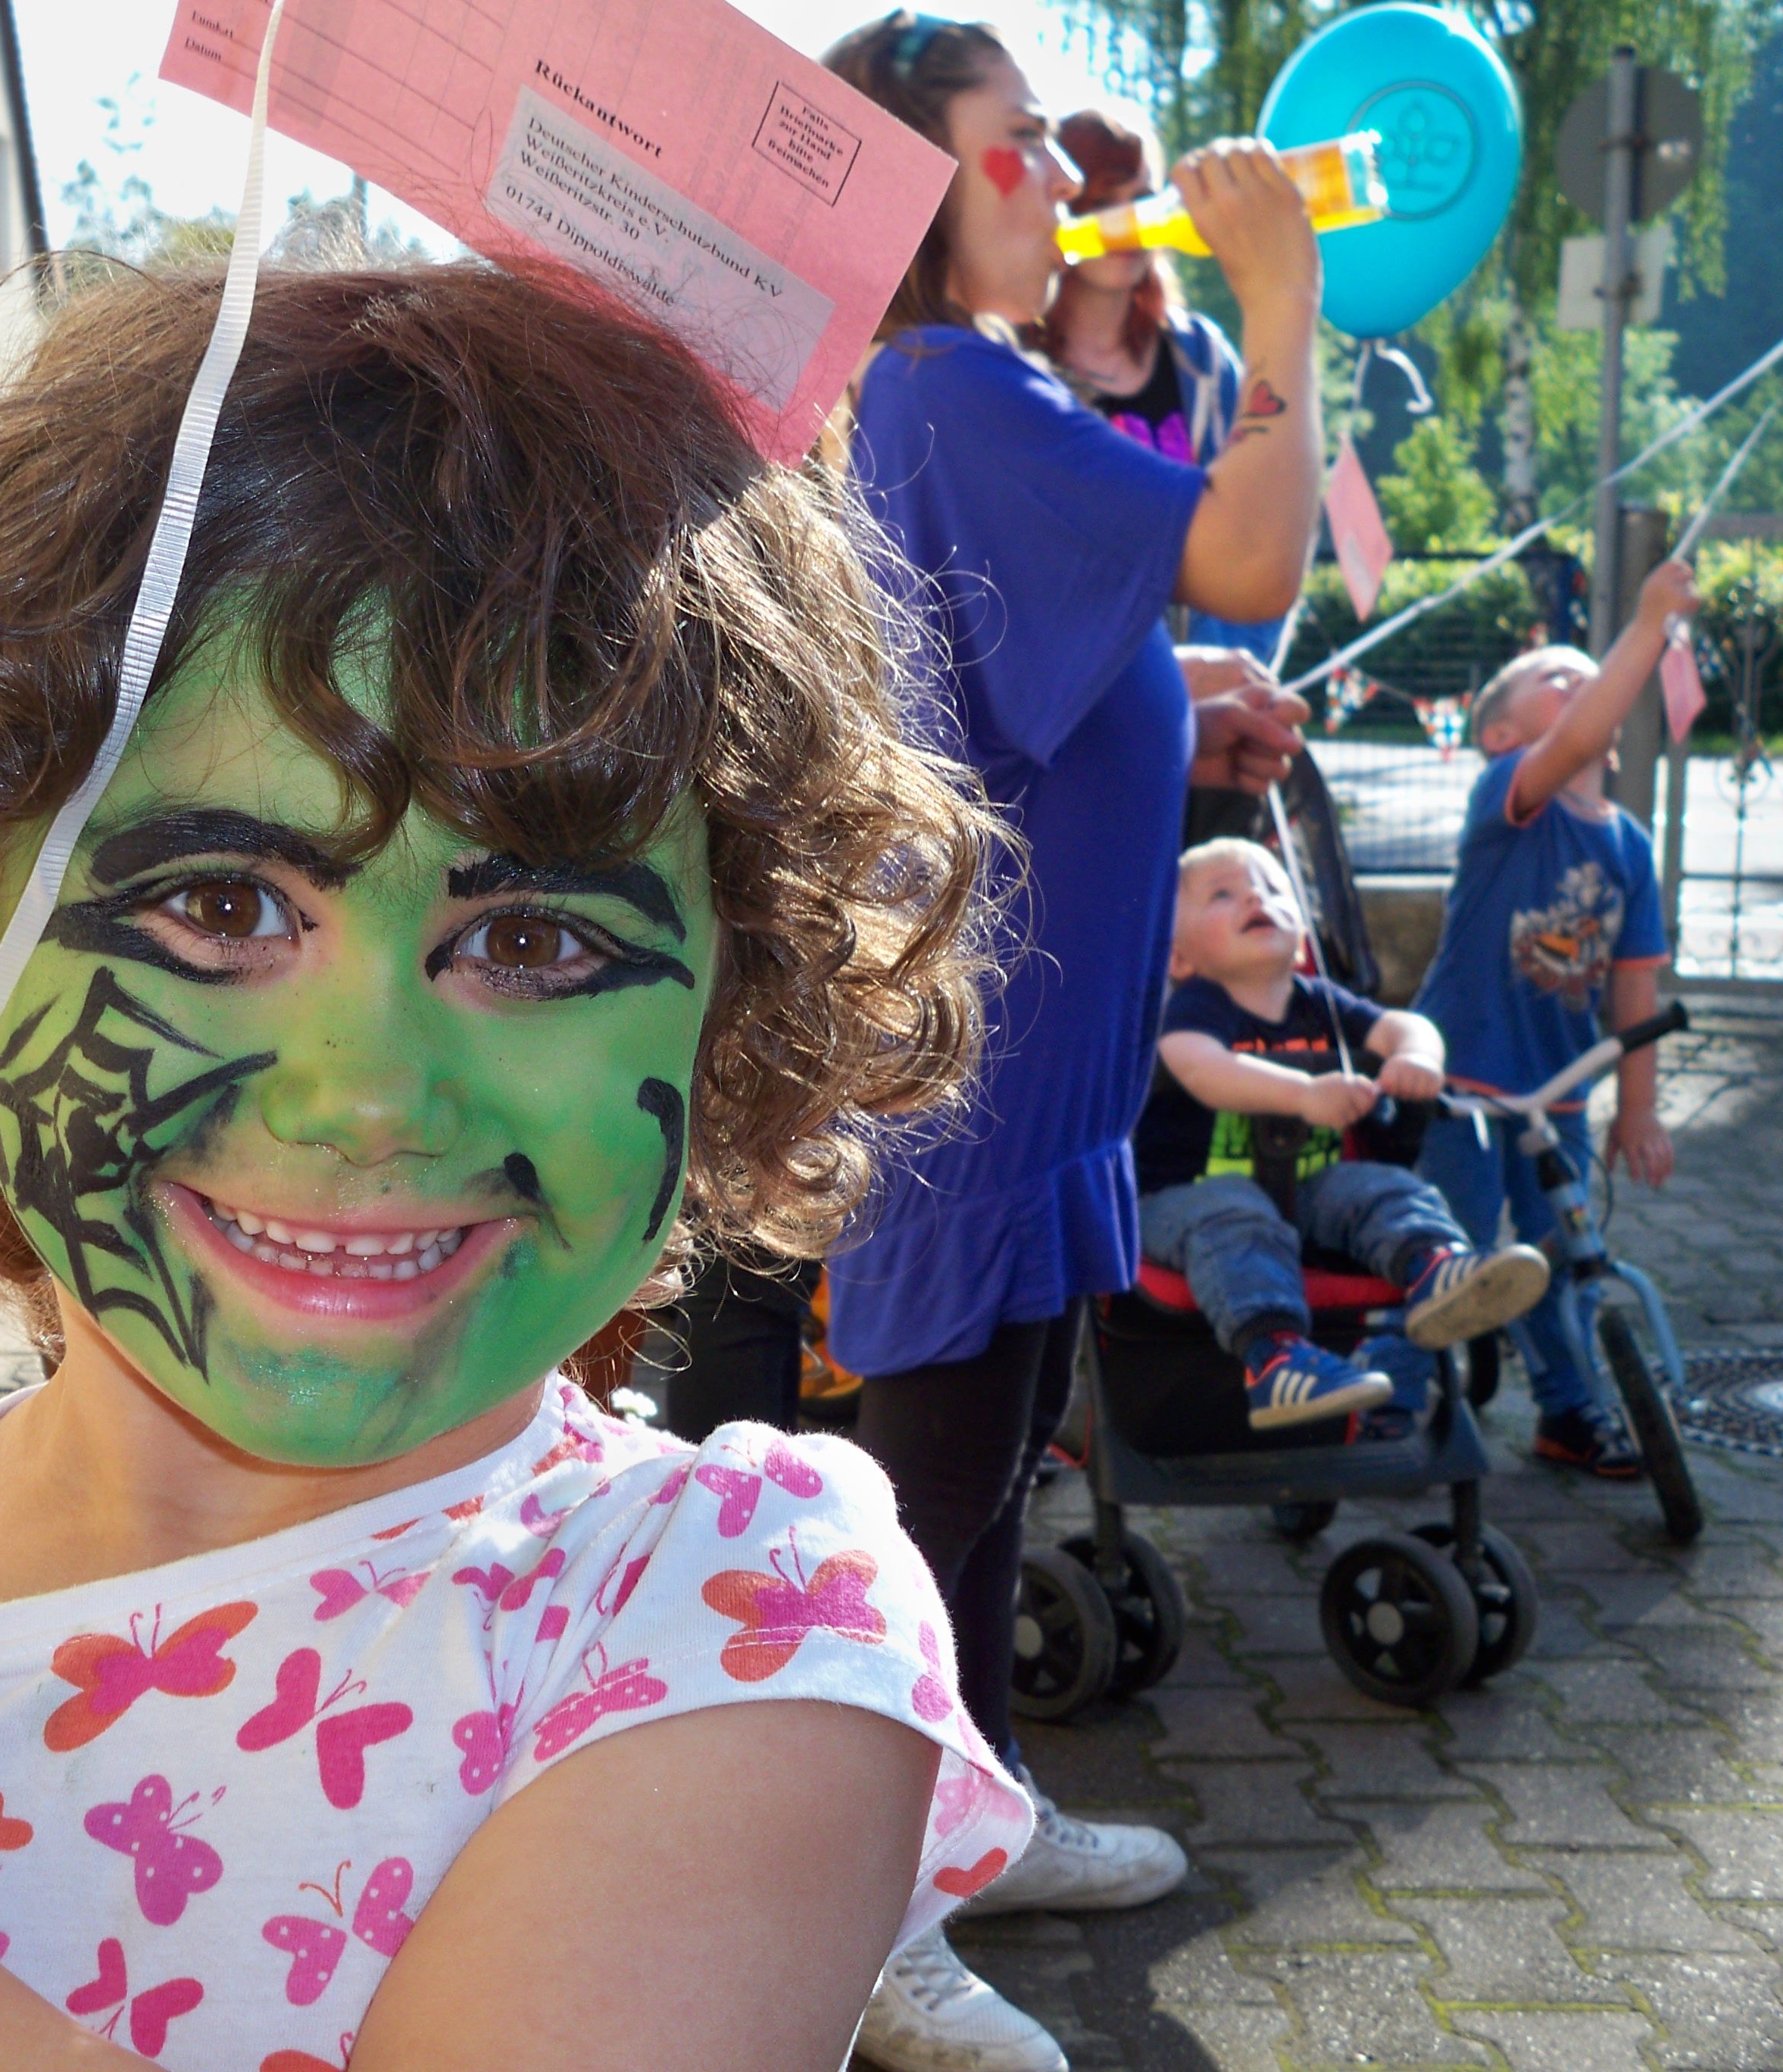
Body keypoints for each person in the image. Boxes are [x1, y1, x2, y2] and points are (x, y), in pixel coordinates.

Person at [0, 261, 1040, 2072]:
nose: (367, 1093)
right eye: (219, 907)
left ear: (730, 1017)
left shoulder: (724, 1617)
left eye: (532, 941)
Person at [820, 16, 1326, 2071]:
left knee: (1000, 1454)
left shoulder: (975, 380)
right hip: (985, 1052)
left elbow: (1047, 658)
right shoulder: (947, 380)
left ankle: (982, 1808)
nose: (1061, 174)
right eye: (1014, 144)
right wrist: (1280, 298)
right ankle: (862, 1917)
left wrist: (1176, 698)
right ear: (917, 190)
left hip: (1032, 1051)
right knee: (935, 1488)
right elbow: (1253, 549)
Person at [1416, 557, 1701, 1477]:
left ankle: (1570, 1411)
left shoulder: (1630, 846)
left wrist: (1639, 1107)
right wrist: (1648, 623)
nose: (1583, 683)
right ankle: (1390, 1397)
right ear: (1500, 734)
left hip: (1561, 1094)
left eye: (1593, 675)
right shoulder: (1509, 797)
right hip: (1462, 1082)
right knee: (1445, 1248)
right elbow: (1577, 733)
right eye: (1558, 675)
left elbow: (1635, 995)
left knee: (1565, 1256)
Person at [1135, 838, 1550, 1426]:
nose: (1254, 896)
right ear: (1179, 958)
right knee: (1235, 1213)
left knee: (1381, 1187)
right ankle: (1276, 1359)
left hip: (1303, 1195)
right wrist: (1304, 1094)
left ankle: (1435, 1267)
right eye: (1223, 894)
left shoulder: (1322, 1005)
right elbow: (1201, 1068)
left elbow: (1405, 1025)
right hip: (1183, 1200)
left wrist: (1415, 1056)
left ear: (1303, 939)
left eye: (1272, 888)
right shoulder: (1194, 1008)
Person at [1037, 106, 1288, 668]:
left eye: (1143, 199)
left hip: (1219, 683)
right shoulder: (1017, 369)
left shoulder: (1202, 359)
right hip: (1088, 691)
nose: (1128, 222)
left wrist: (1221, 674)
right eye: (1103, 203)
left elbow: (1262, 523)